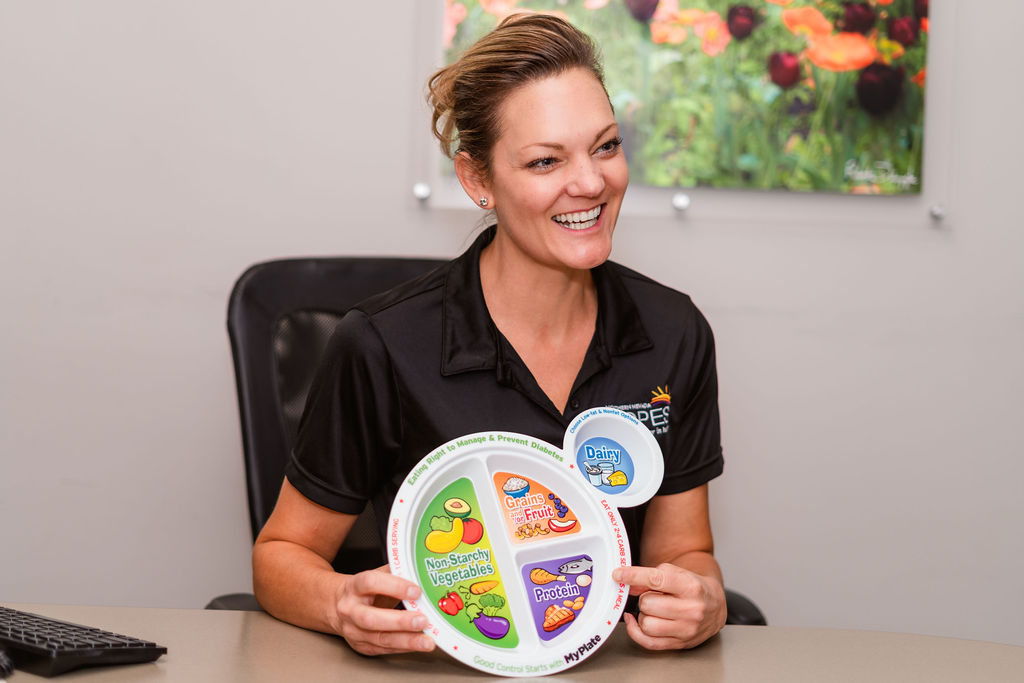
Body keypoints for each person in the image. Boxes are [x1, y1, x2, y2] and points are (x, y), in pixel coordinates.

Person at [252, 13, 726, 656]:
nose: (590, 182)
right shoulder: (381, 344)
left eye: (606, 146)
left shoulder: (674, 333)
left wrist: (702, 600)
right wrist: (339, 605)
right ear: (478, 180)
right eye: (544, 161)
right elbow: (281, 555)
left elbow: (685, 553)